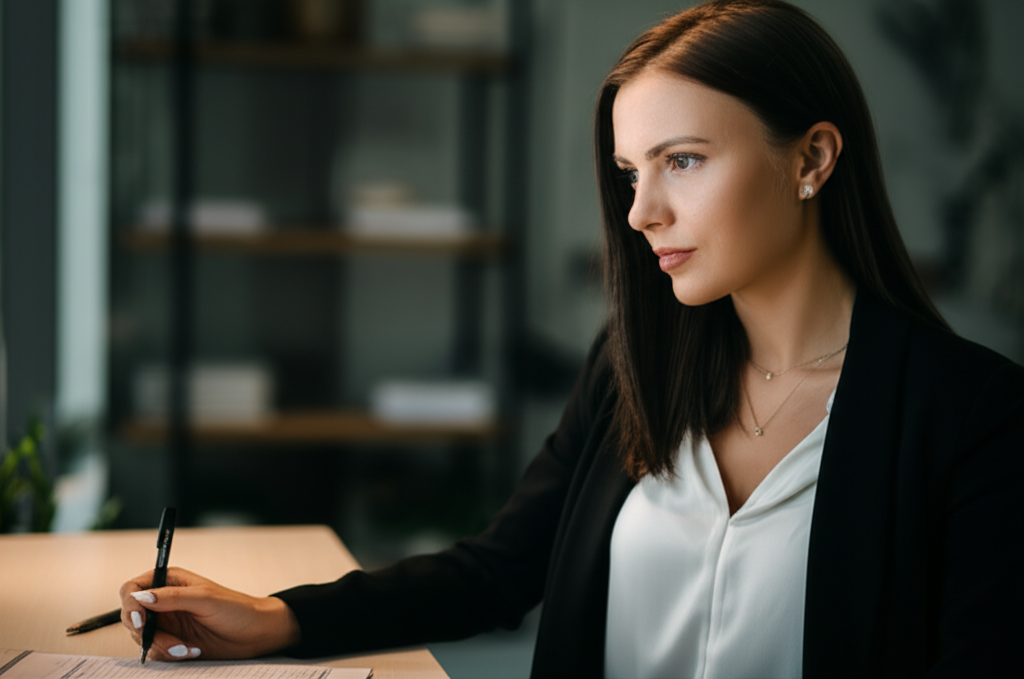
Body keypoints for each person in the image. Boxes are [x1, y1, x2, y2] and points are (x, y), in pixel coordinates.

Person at [120, 0, 1024, 676]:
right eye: (631, 171)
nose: (641, 211)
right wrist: (274, 617)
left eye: (684, 161)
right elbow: (497, 570)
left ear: (812, 160)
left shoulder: (971, 417)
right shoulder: (637, 364)